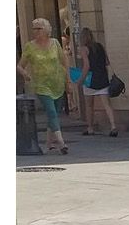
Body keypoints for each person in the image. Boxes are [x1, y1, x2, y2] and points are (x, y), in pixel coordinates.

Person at [17, 18, 70, 154]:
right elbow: (19, 66)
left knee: (54, 114)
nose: (36, 31)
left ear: (46, 29)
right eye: (34, 28)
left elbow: (64, 62)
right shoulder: (30, 46)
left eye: (39, 28)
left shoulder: (55, 43)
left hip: (57, 83)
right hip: (41, 85)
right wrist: (25, 74)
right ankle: (61, 143)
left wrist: (67, 82)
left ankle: (48, 143)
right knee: (51, 111)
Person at [76, 28, 118, 136]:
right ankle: (113, 126)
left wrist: (80, 80)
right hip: (102, 77)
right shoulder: (100, 46)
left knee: (89, 105)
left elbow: (86, 66)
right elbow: (107, 62)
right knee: (107, 104)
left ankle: (90, 128)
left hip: (90, 79)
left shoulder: (83, 49)